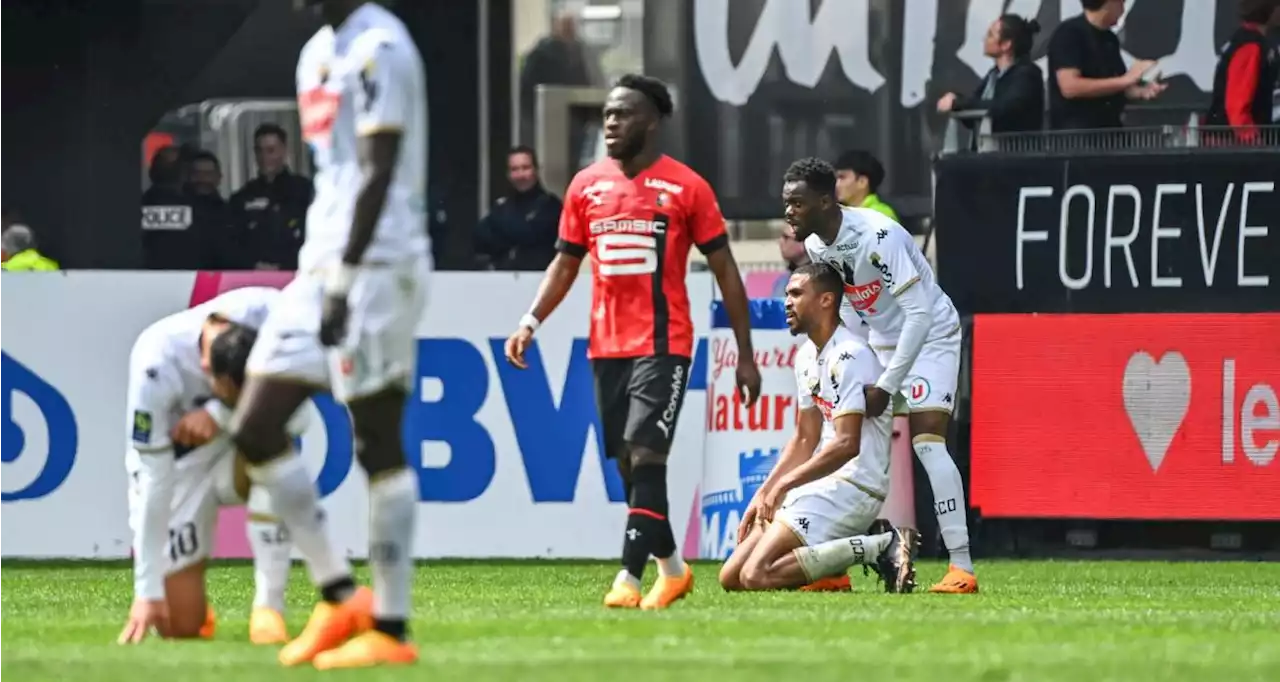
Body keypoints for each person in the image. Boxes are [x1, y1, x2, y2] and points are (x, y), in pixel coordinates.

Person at [503, 74, 763, 610]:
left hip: (665, 344)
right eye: (607, 116)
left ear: (652, 121)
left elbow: (726, 270)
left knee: (647, 455)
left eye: (622, 115)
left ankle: (628, 577)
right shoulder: (585, 186)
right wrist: (530, 320)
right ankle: (672, 568)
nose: (611, 124)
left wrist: (746, 354)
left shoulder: (687, 187)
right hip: (607, 347)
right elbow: (565, 263)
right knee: (630, 466)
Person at [227, 0, 430, 669]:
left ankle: (392, 630)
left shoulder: (381, 47)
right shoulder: (316, 52)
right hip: (319, 265)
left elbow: (378, 169)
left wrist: (344, 278)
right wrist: (323, 271)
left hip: (376, 265)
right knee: (255, 424)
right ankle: (341, 594)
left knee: (375, 438)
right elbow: (337, 174)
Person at [783, 157, 978, 594]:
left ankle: (961, 568)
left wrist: (887, 384)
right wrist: (854, 354)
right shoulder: (818, 246)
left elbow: (919, 312)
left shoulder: (878, 235)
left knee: (928, 445)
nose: (788, 213)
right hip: (881, 339)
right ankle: (832, 567)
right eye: (786, 203)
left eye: (797, 203)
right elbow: (849, 302)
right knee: (846, 445)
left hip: (929, 335)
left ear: (824, 200)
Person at [718, 263, 915, 593]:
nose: (787, 302)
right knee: (731, 578)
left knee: (756, 576)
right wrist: (765, 491)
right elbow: (804, 437)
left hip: (854, 485)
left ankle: (879, 544)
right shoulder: (806, 356)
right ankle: (828, 571)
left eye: (796, 293)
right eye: (786, 294)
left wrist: (785, 485)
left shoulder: (850, 355)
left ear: (826, 300)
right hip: (817, 485)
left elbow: (847, 445)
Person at [116, 287, 296, 646]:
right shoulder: (155, 360)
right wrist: (146, 591)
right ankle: (184, 594)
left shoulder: (274, 315)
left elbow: (302, 414)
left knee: (275, 458)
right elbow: (154, 476)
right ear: (204, 366)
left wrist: (220, 413)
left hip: (235, 449)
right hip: (176, 468)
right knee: (179, 626)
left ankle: (268, 609)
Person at [1047, 0, 1165, 130]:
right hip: (1077, 138)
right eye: (1121, 3)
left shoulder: (1110, 39)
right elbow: (1069, 87)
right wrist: (1126, 80)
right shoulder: (1069, 34)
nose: (1123, 9)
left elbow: (1113, 86)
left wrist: (1137, 91)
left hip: (1110, 134)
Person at [937, 14, 1045, 133]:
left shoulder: (1027, 75)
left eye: (990, 35)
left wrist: (958, 103)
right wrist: (957, 101)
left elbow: (1005, 108)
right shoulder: (993, 75)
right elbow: (974, 110)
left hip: (1014, 149)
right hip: (987, 148)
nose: (984, 39)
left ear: (1006, 44)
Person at [231, 123, 315, 270]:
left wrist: (284, 266)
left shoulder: (305, 191)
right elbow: (232, 243)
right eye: (259, 151)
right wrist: (253, 265)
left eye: (270, 150)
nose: (264, 157)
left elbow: (315, 236)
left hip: (296, 275)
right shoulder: (242, 197)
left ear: (283, 150)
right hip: (251, 278)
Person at [474, 146, 562, 271]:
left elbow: (532, 235)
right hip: (504, 280)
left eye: (525, 168)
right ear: (508, 174)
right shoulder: (500, 207)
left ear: (536, 170)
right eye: (514, 169)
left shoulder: (551, 206)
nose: (520, 175)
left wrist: (503, 230)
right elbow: (480, 239)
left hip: (540, 281)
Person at [1206, 0, 1280, 142]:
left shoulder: (1245, 39)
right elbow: (1237, 108)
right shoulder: (1250, 47)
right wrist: (1255, 143)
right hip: (1232, 148)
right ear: (1270, 10)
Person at [832, 150, 898, 221]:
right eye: (835, 178)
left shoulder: (880, 215)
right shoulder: (841, 213)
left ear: (862, 182)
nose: (836, 184)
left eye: (842, 177)